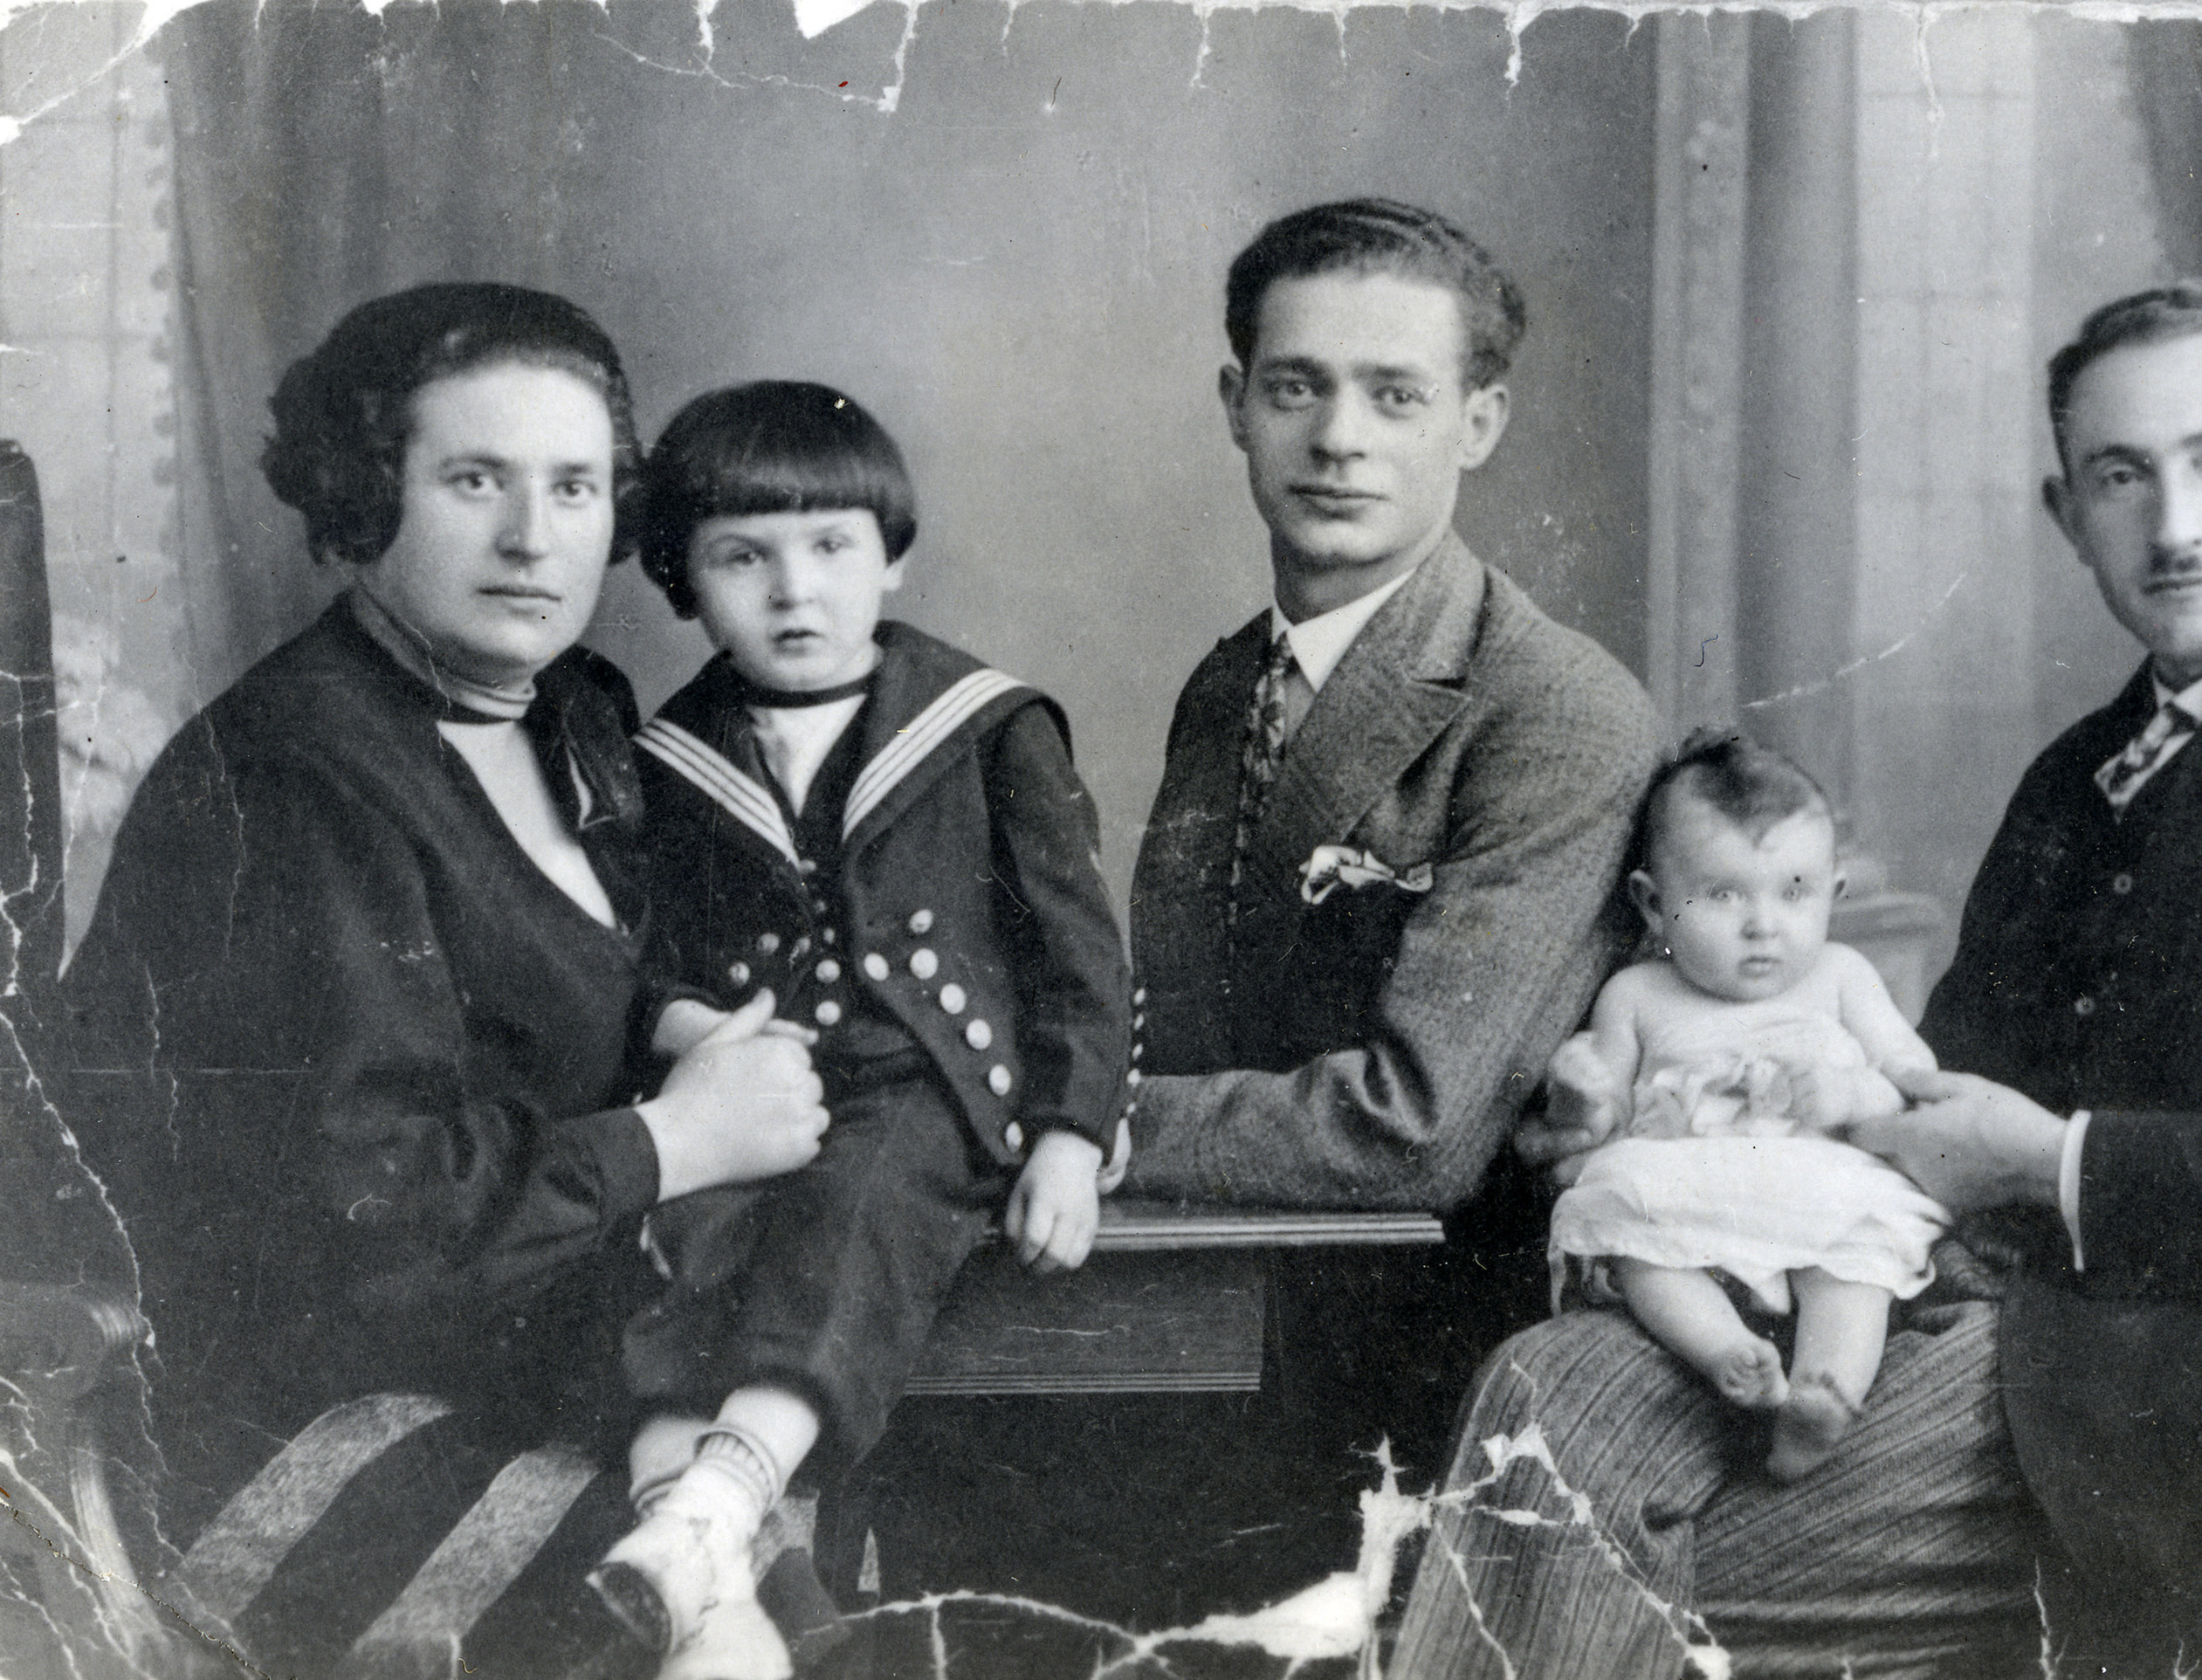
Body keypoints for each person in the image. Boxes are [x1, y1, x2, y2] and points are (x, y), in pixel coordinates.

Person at [1388, 282, 2202, 1677]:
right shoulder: (2079, 778)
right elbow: (1939, 1095)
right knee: (1547, 1392)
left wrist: (2052, 1164)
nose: (2175, 524)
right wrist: (1694, 1116)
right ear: (2067, 514)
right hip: (1992, 1340)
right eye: (2121, 476)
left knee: (1545, 1559)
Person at [53, 286, 832, 1674]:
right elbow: (378, 1221)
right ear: (367, 498)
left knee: (797, 1566)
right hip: (287, 1417)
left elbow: (580, 971)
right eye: (476, 481)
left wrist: (680, 1020)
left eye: (577, 486)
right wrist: (677, 1138)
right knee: (716, 1637)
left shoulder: (575, 710)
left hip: (529, 1369)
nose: (534, 537)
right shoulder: (297, 775)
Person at [1117, 199, 1662, 1504]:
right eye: (1298, 386)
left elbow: (1415, 1131)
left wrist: (1086, 1125)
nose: (1339, 439)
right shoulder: (1227, 685)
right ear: (1236, 405)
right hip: (1204, 1309)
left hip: (1430, 1372)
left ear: (1478, 424)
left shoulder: (1555, 711)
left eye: (1394, 396)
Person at [608, 380, 1131, 1676]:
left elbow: (1079, 956)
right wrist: (695, 1033)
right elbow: (641, 965)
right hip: (758, 1094)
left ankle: (718, 1509)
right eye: (743, 557)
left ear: (893, 557)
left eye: (831, 546)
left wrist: (1073, 1134)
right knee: (685, 1244)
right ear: (683, 583)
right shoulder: (669, 759)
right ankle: (694, 1551)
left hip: (935, 1091)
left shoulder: (988, 729)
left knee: (856, 1215)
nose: (794, 590)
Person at [1544, 732, 1946, 1483]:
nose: (1763, 924)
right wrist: (1582, 1090)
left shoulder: (1841, 976)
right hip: (1686, 1188)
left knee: (1858, 1264)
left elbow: (1914, 1075)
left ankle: (1823, 1396)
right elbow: (1595, 1127)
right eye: (1723, 895)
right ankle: (1728, 1352)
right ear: (1654, 904)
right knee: (1629, 1230)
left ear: (1834, 894)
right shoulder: (1636, 995)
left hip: (1818, 1184)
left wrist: (1853, 1091)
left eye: (1793, 893)